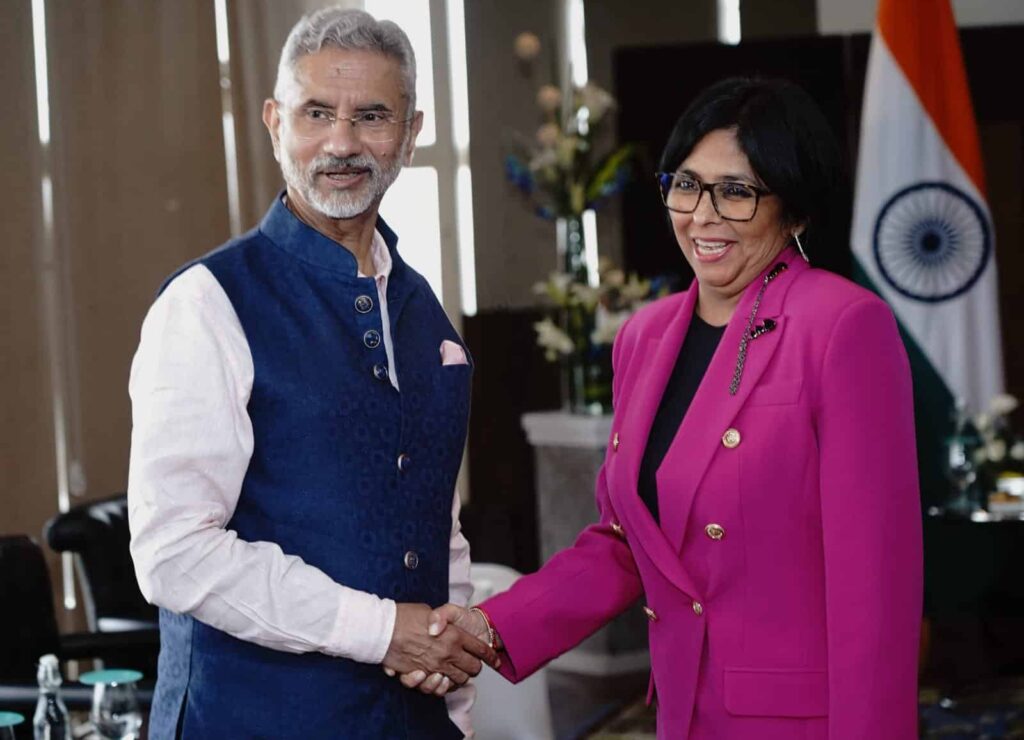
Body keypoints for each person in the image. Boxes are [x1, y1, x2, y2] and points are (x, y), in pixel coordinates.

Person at [413, 77, 923, 739]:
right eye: (686, 185)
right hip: (684, 711)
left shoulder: (843, 326)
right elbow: (628, 545)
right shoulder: (643, 338)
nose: (703, 216)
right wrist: (491, 626)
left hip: (800, 722)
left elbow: (875, 585)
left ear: (795, 210)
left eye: (736, 191)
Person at [127, 7, 495, 739]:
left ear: (411, 133)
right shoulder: (207, 304)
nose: (342, 143)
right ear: (275, 123)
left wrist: (454, 708)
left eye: (372, 116)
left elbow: (438, 526)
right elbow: (174, 553)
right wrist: (381, 630)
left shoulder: (424, 310)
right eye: (317, 112)